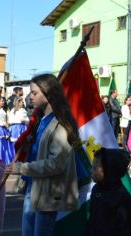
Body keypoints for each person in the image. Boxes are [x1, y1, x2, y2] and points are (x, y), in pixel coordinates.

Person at [6, 73, 79, 236]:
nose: (30, 97)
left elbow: (56, 164)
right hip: (33, 187)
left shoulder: (60, 125)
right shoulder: (40, 120)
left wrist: (21, 168)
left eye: (34, 93)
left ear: (48, 93)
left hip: (48, 194)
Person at [86, 148, 131, 236]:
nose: (91, 171)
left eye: (94, 168)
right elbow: (92, 221)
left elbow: (126, 230)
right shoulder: (96, 189)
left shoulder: (122, 198)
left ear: (108, 170)